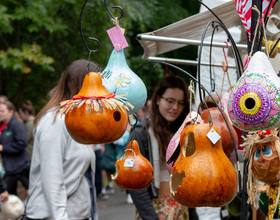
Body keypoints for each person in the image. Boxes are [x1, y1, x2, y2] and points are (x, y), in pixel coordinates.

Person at [25, 59, 98, 219]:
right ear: (81, 87)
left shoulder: (78, 121)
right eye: (97, 84)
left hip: (77, 214)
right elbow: (52, 179)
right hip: (52, 215)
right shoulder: (55, 122)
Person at [128, 75, 197, 220]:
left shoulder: (184, 132)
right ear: (158, 99)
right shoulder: (141, 132)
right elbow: (134, 182)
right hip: (153, 209)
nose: (175, 108)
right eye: (170, 101)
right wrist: (151, 217)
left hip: (181, 207)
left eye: (180, 103)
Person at [0, 101, 30, 196]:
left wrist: (3, 148)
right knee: (10, 194)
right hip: (10, 168)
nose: (0, 113)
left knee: (31, 192)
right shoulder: (4, 126)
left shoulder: (17, 125)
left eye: (2, 111)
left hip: (21, 167)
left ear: (11, 112)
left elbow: (22, 143)